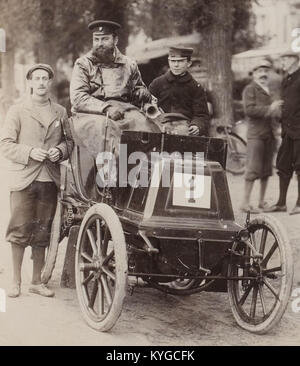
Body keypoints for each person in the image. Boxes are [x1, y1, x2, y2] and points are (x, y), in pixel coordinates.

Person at [0, 64, 74, 298]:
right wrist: (29, 152)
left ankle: (36, 281)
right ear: (30, 83)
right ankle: (15, 282)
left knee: (43, 230)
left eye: (45, 78)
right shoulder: (18, 110)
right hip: (24, 179)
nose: (41, 82)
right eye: (37, 78)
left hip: (49, 179)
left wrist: (59, 152)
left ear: (50, 82)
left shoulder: (61, 112)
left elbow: (70, 142)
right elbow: (5, 144)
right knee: (20, 229)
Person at [70, 20, 157, 158]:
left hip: (124, 110)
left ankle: (142, 170)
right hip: (91, 114)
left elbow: (137, 87)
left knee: (146, 127)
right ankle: (109, 172)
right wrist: (106, 108)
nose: (99, 44)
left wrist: (141, 92)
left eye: (105, 39)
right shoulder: (83, 64)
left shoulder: (129, 64)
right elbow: (78, 98)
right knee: (103, 130)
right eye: (96, 39)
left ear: (115, 40)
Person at [240, 59, 281, 213]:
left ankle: (261, 202)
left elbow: (275, 112)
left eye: (266, 71)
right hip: (255, 135)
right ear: (253, 74)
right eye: (259, 71)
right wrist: (270, 109)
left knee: (266, 170)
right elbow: (249, 110)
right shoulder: (249, 90)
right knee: (252, 169)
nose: (263, 74)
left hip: (269, 134)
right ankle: (244, 203)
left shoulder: (270, 90)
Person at [265, 50, 300, 215]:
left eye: (286, 59)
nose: (283, 62)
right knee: (283, 165)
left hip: (299, 129)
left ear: (295, 60)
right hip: (287, 130)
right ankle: (281, 203)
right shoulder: (287, 79)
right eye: (282, 59)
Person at [149, 47, 209, 136]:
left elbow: (201, 114)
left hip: (184, 128)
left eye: (180, 61)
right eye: (173, 61)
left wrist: (197, 125)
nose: (176, 65)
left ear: (189, 63)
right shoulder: (157, 83)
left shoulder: (196, 87)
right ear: (168, 62)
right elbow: (146, 106)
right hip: (158, 125)